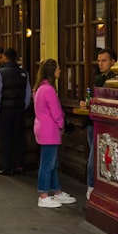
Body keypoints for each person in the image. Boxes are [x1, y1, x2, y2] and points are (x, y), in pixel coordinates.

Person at [33, 59, 76, 208]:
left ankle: (56, 192)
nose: (60, 71)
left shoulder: (39, 88)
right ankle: (43, 195)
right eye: (58, 69)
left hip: (42, 128)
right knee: (47, 163)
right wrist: (62, 124)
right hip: (49, 130)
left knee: (52, 162)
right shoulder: (49, 90)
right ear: (52, 72)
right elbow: (56, 111)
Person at [0, 47, 32, 176]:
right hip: (19, 110)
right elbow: (28, 94)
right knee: (19, 138)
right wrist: (23, 106)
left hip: (5, 110)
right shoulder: (24, 73)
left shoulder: (0, 73)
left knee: (6, 139)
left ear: (5, 57)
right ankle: (20, 165)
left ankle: (8, 167)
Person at [84, 48, 117, 199]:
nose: (100, 64)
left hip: (104, 123)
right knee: (93, 155)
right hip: (91, 121)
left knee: (94, 158)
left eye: (104, 60)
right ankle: (92, 186)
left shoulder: (113, 80)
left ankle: (92, 187)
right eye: (99, 61)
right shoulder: (98, 78)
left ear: (113, 62)